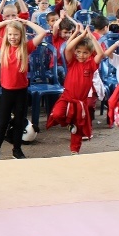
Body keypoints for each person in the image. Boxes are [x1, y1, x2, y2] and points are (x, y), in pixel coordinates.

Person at [0, 18, 48, 160]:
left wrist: (25, 23)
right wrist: (7, 22)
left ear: (21, 35)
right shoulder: (3, 45)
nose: (12, 38)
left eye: (16, 34)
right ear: (6, 35)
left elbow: (42, 32)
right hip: (7, 91)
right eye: (10, 34)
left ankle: (17, 149)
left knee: (20, 121)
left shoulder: (26, 47)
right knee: (3, 122)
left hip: (21, 91)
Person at [45, 25, 104, 154]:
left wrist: (91, 36)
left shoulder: (91, 64)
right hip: (66, 97)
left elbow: (101, 53)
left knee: (78, 127)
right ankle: (68, 124)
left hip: (80, 102)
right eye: (79, 52)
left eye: (85, 52)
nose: (81, 55)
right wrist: (79, 34)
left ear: (89, 54)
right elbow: (68, 48)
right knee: (57, 114)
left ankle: (74, 150)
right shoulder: (72, 62)